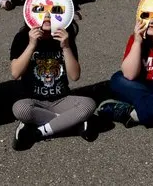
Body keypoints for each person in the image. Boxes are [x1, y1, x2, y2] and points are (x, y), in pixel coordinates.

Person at [10, 21, 96, 150]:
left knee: (88, 104)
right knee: (20, 109)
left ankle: (37, 132)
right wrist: (31, 45)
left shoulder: (65, 36)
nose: (47, 16)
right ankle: (70, 123)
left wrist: (66, 46)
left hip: (61, 99)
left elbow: (75, 76)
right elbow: (15, 73)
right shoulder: (22, 37)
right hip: (34, 101)